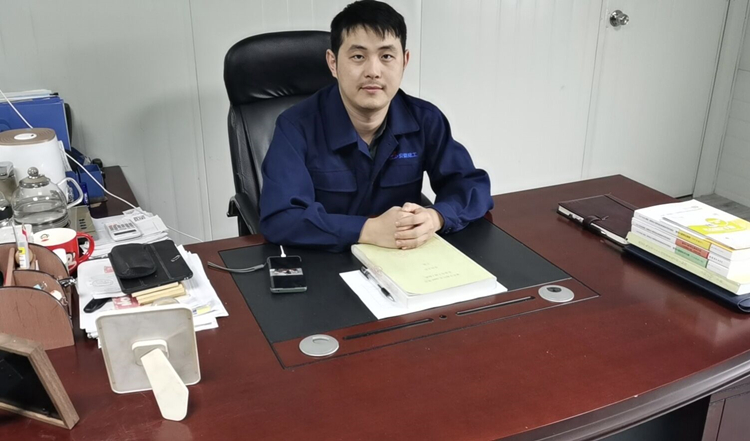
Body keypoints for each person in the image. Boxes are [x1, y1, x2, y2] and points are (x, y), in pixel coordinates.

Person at [259, 0, 492, 252]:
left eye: (386, 56)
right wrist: (367, 230)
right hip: (326, 262)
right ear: (333, 63)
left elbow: (472, 187)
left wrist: (436, 217)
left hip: (403, 260)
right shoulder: (296, 127)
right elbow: (280, 218)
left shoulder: (425, 120)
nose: (373, 71)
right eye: (358, 56)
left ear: (404, 61)